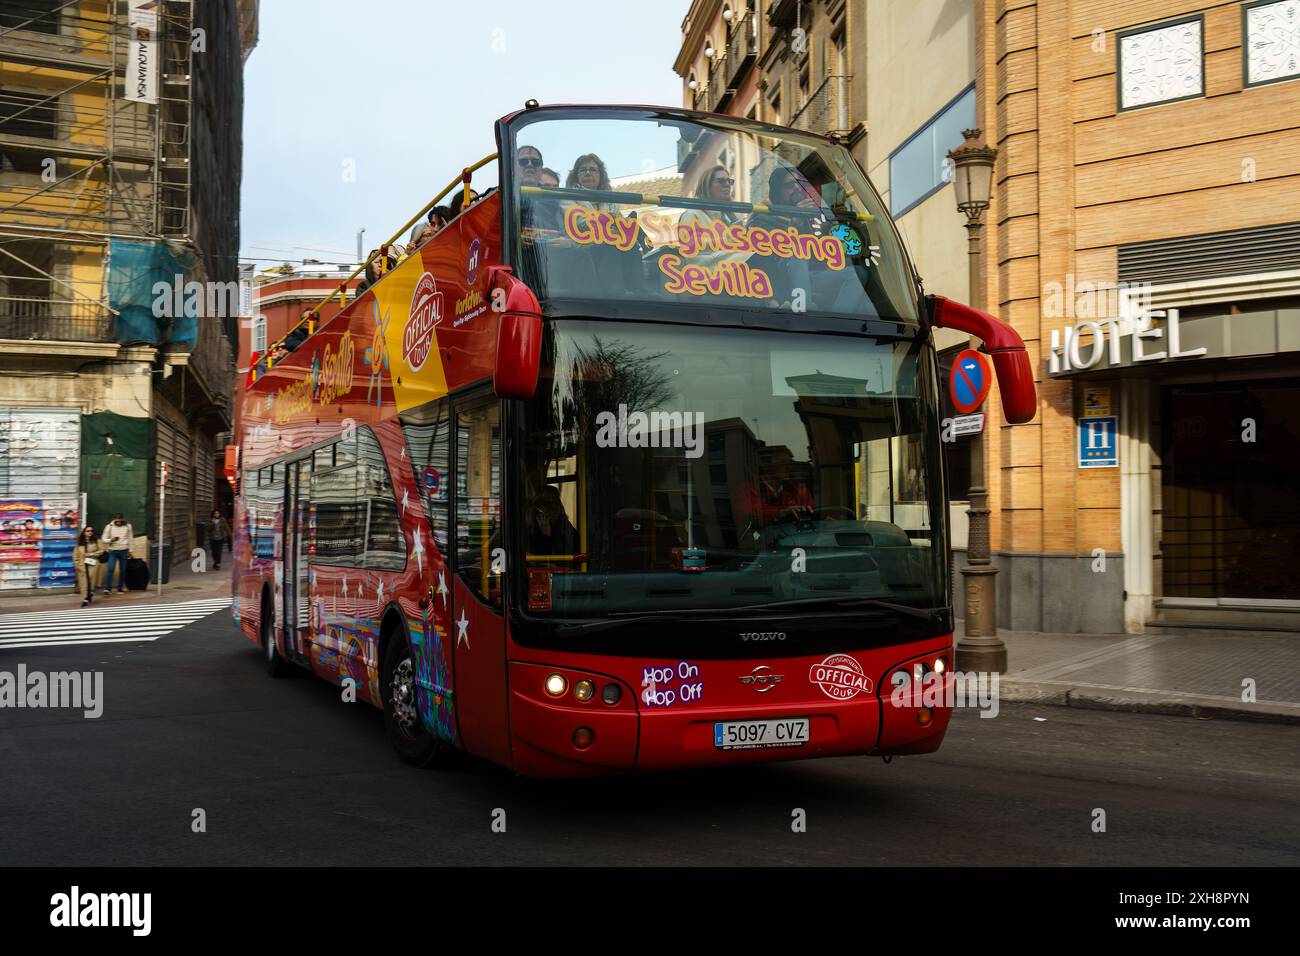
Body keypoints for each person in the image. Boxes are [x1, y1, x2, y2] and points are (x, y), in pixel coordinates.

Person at [526, 485, 578, 555]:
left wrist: (546, 534)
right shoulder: (532, 529)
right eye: (546, 503)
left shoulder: (564, 526)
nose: (553, 507)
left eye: (555, 502)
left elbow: (562, 558)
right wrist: (546, 534)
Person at [100, 513, 133, 594]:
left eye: (120, 521)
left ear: (123, 520)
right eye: (116, 521)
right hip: (112, 550)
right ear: (114, 519)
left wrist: (131, 550)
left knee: (123, 570)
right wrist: (111, 540)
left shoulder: (128, 526)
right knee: (110, 569)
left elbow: (130, 538)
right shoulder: (109, 526)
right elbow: (103, 539)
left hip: (124, 550)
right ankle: (108, 588)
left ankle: (120, 588)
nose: (118, 523)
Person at [73, 525, 104, 607]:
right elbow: (75, 554)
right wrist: (76, 564)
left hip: (93, 563)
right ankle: (85, 598)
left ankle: (90, 593)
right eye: (88, 531)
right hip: (82, 564)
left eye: (91, 531)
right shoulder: (80, 541)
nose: (90, 532)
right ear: (84, 532)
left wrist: (92, 554)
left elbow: (102, 550)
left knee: (90, 580)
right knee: (84, 582)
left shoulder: (96, 540)